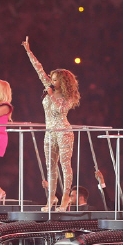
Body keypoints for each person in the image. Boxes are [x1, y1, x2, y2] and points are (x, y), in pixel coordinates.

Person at [22, 36, 80, 212]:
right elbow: (39, 70)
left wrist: (52, 95)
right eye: (52, 79)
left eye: (55, 80)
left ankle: (65, 199)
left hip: (63, 131)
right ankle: (51, 199)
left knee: (65, 165)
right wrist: (28, 51)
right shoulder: (50, 88)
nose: (51, 82)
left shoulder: (67, 96)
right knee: (50, 167)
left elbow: (61, 110)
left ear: (62, 82)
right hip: (49, 131)